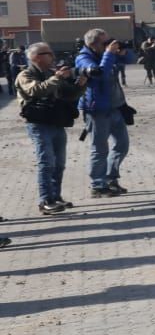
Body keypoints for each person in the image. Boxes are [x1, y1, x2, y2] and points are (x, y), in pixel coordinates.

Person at [16, 42, 85, 214]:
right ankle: (45, 200)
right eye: (49, 53)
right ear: (36, 57)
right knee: (46, 163)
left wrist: (81, 84)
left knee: (59, 164)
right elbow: (36, 91)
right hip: (38, 124)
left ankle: (55, 197)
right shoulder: (25, 75)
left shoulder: (50, 73)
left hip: (56, 121)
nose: (53, 57)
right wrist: (57, 77)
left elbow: (69, 95)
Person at [76, 28, 131, 197]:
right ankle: (97, 185)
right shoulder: (83, 58)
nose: (108, 45)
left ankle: (110, 178)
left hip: (116, 108)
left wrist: (121, 52)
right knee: (99, 149)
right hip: (97, 111)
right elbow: (99, 74)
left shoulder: (107, 54)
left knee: (122, 145)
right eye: (104, 42)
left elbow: (132, 59)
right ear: (93, 44)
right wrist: (109, 54)